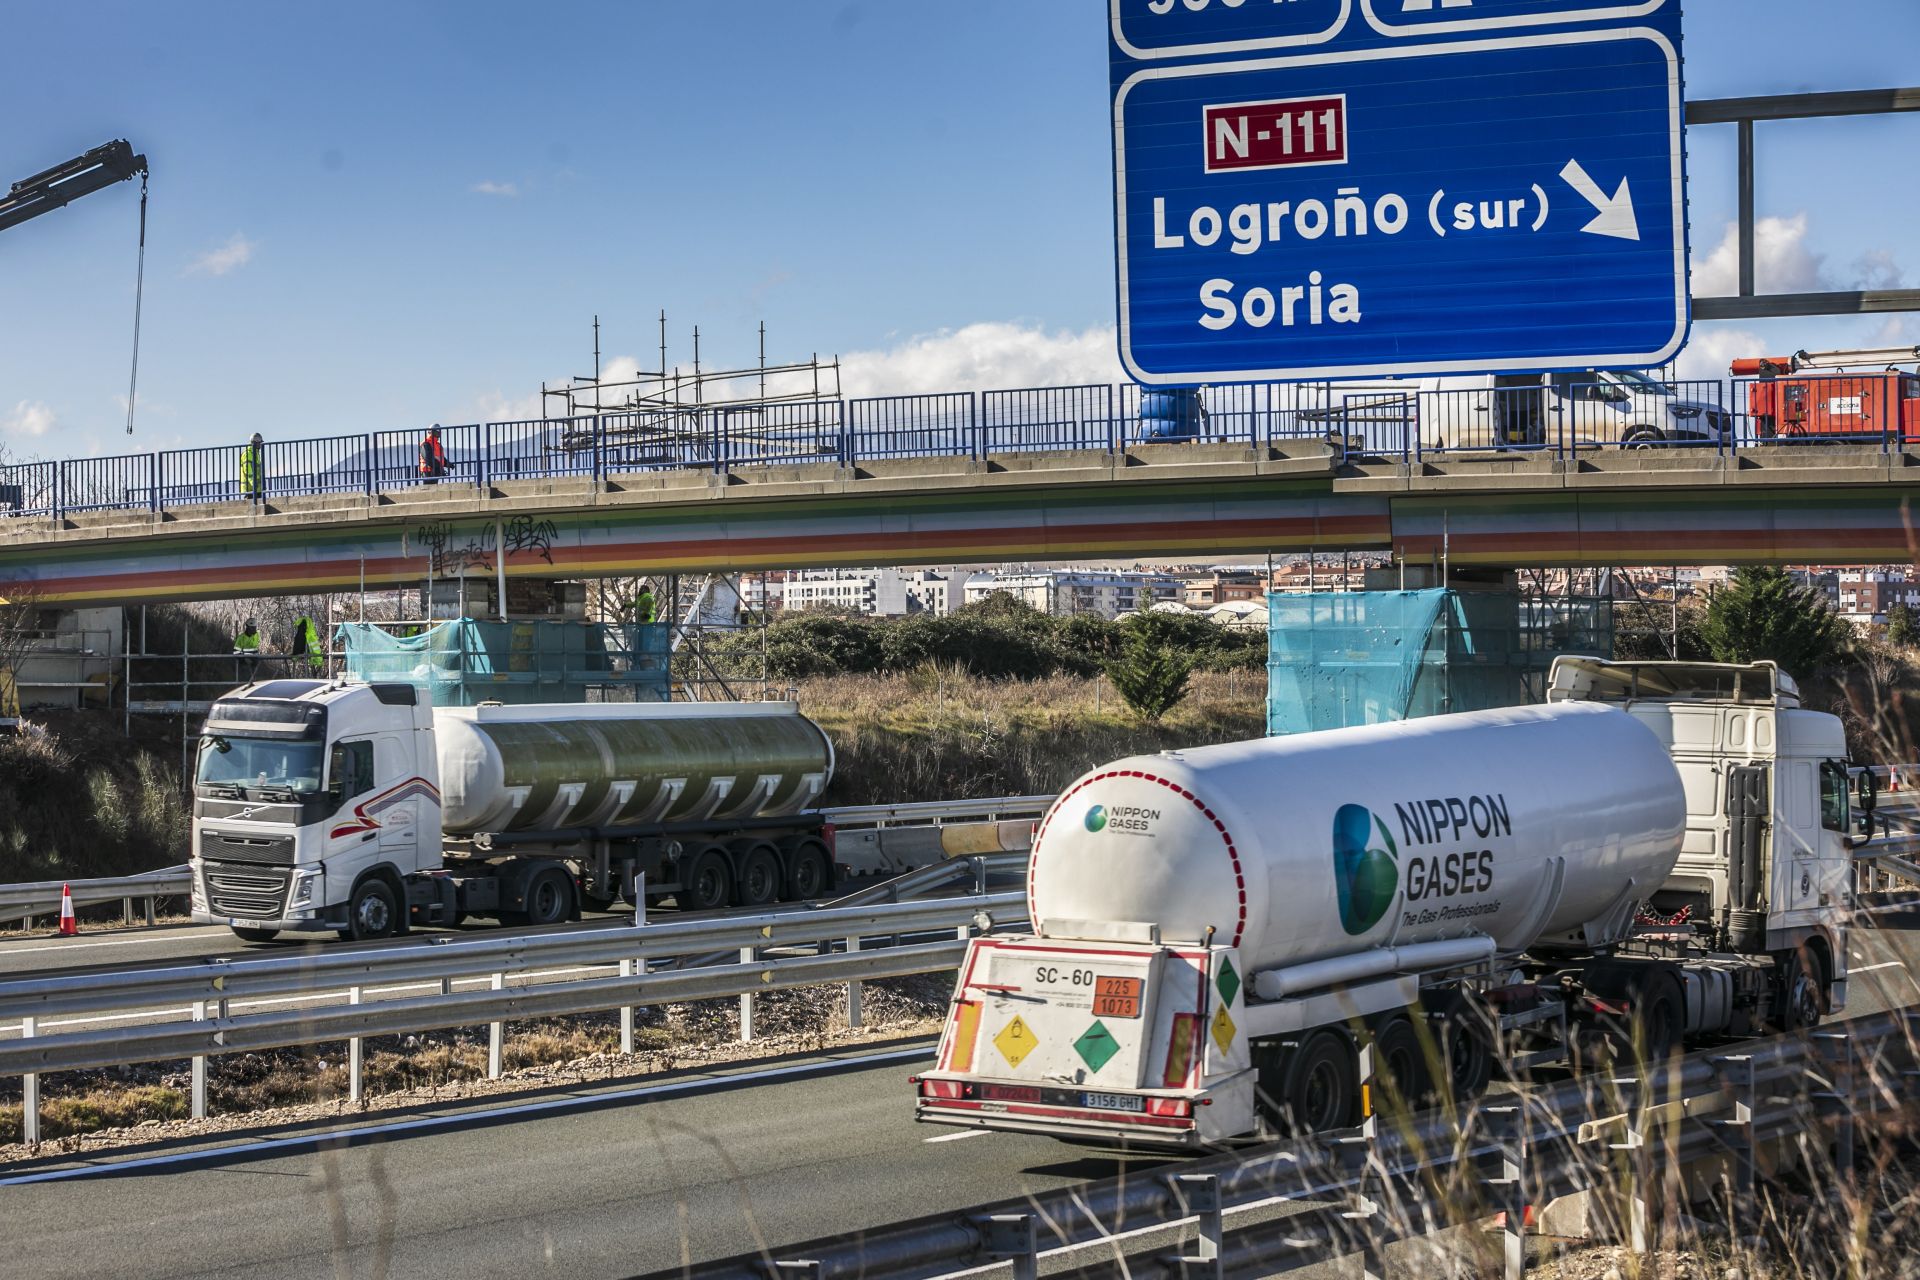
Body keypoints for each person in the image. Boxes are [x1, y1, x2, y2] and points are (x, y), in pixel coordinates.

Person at [233, 618, 262, 682]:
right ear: (248, 627)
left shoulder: (256, 635)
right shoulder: (241, 638)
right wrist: (244, 659)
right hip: (245, 663)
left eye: (255, 627)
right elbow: (236, 652)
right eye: (253, 628)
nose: (255, 629)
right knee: (245, 680)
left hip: (255, 661)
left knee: (256, 680)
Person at [239, 433, 264, 502]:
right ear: (255, 442)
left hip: (256, 488)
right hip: (250, 488)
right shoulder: (248, 453)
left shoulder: (255, 453)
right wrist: (254, 483)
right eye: (259, 443)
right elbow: (248, 470)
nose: (260, 445)